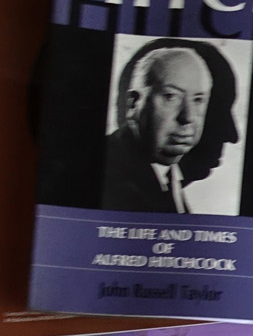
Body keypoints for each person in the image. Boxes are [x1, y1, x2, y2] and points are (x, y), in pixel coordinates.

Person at [100, 38, 237, 212]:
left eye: (198, 100)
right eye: (170, 96)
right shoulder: (108, 178)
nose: (188, 117)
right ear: (133, 103)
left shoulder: (166, 177)